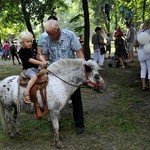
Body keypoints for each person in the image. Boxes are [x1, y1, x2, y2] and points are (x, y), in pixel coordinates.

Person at [42, 19, 85, 134]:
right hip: (54, 74)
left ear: (57, 29)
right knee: (53, 97)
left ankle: (79, 124)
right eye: (48, 33)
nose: (49, 36)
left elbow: (79, 52)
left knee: (76, 99)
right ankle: (55, 120)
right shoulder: (48, 39)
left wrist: (82, 67)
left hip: (69, 74)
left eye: (51, 33)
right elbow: (45, 54)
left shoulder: (70, 35)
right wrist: (42, 62)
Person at [18, 31, 47, 103]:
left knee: (47, 72)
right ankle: (26, 92)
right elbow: (30, 60)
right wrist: (40, 63)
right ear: (22, 42)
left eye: (31, 41)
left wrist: (44, 61)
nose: (30, 43)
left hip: (36, 68)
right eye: (27, 41)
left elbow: (38, 55)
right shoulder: (22, 51)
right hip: (28, 69)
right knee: (34, 77)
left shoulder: (32, 49)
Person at [136, 19, 150, 91]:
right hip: (148, 51)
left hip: (140, 52)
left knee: (143, 69)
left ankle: (144, 86)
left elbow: (136, 43)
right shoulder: (149, 32)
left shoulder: (139, 32)